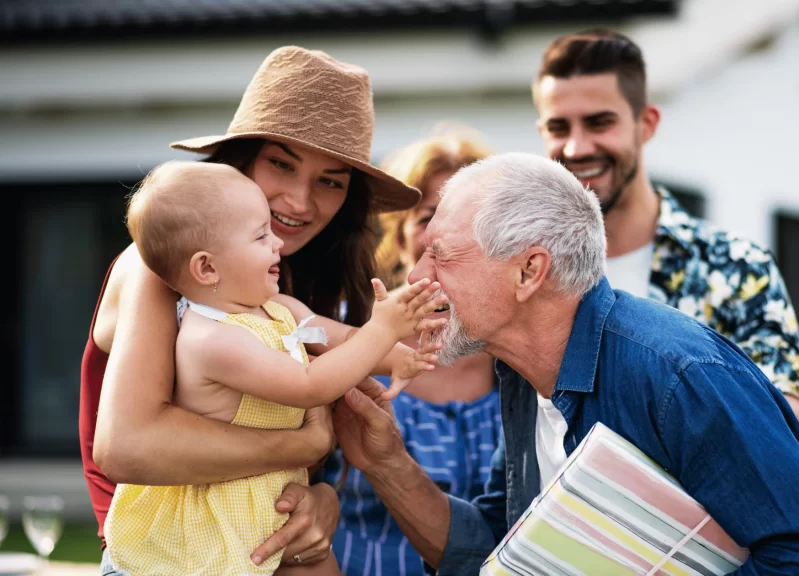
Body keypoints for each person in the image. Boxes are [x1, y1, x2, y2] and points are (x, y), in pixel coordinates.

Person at [334, 153, 799, 575]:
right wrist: (387, 465)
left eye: (442, 255)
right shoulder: (521, 375)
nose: (418, 276)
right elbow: (500, 548)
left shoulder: (680, 378)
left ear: (528, 272)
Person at [80, 46, 421, 573]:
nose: (300, 202)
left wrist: (321, 501)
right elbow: (127, 446)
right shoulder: (163, 270)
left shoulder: (280, 277)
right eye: (281, 164)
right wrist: (303, 443)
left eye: (331, 181)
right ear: (240, 160)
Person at [102, 161, 445, 576]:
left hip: (270, 491)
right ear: (206, 268)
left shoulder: (275, 307)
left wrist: (398, 357)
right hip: (223, 507)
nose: (277, 243)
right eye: (261, 235)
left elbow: (341, 340)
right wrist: (383, 327)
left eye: (329, 180)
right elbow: (309, 384)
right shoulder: (209, 339)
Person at [532, 30, 799, 432]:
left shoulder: (736, 268)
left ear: (646, 123)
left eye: (599, 123)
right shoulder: (526, 272)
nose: (577, 148)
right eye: (559, 128)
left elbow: (786, 421)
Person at [323, 129, 501, 576]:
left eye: (471, 220)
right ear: (401, 240)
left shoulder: (519, 365)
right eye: (429, 218)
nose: (449, 236)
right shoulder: (346, 345)